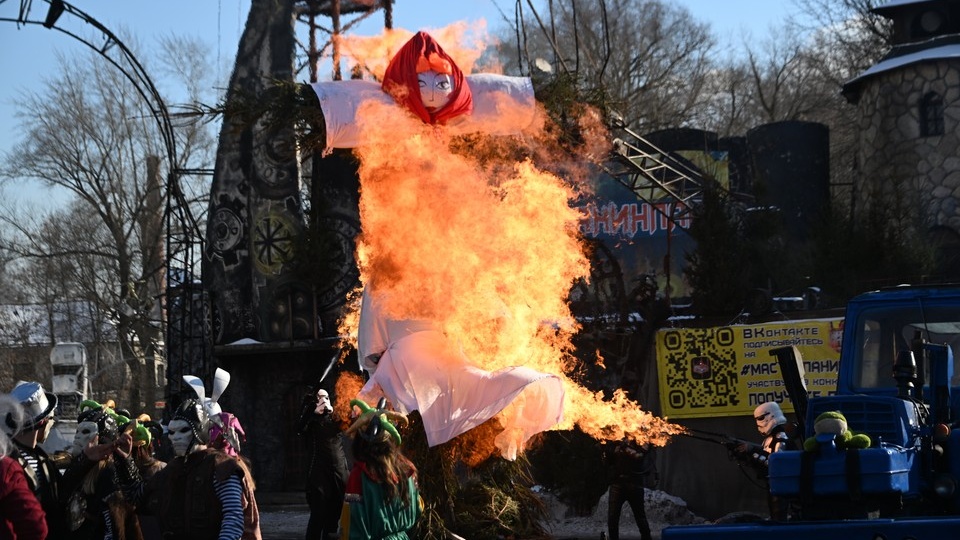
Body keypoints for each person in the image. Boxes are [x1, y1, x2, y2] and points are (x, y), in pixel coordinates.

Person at [107, 396, 262, 540]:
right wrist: (125, 460)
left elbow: (233, 517)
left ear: (200, 430)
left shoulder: (221, 466)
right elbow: (137, 496)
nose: (175, 437)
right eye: (172, 432)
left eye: (183, 430)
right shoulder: (173, 469)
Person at [341, 399, 420, 540]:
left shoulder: (360, 476)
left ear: (360, 442)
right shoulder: (407, 470)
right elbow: (417, 509)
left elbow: (353, 527)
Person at [6, 381, 68, 538]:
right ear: (43, 422)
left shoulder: (41, 458)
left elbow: (62, 491)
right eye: (50, 418)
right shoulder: (9, 463)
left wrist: (87, 459)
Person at [298, 388, 348, 540]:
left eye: (326, 397)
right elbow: (299, 428)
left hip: (339, 472)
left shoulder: (335, 417)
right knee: (318, 515)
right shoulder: (309, 420)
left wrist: (333, 412)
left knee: (336, 515)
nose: (324, 400)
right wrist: (312, 413)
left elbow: (349, 423)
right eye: (320, 398)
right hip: (318, 474)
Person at [733, 401, 793, 520]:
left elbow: (775, 463)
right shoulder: (769, 439)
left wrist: (751, 451)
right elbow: (764, 461)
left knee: (780, 517)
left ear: (771, 415)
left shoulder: (781, 438)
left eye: (760, 418)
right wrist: (745, 455)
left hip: (782, 486)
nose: (758, 423)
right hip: (773, 485)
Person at [0, 392, 48, 539]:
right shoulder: (7, 467)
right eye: (51, 418)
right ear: (42, 421)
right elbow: (36, 527)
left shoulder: (44, 460)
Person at [601, 437, 655, 540]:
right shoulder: (616, 438)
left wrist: (624, 447)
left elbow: (639, 456)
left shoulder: (641, 438)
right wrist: (605, 450)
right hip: (617, 484)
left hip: (634, 484)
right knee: (612, 519)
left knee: (640, 518)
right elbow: (607, 462)